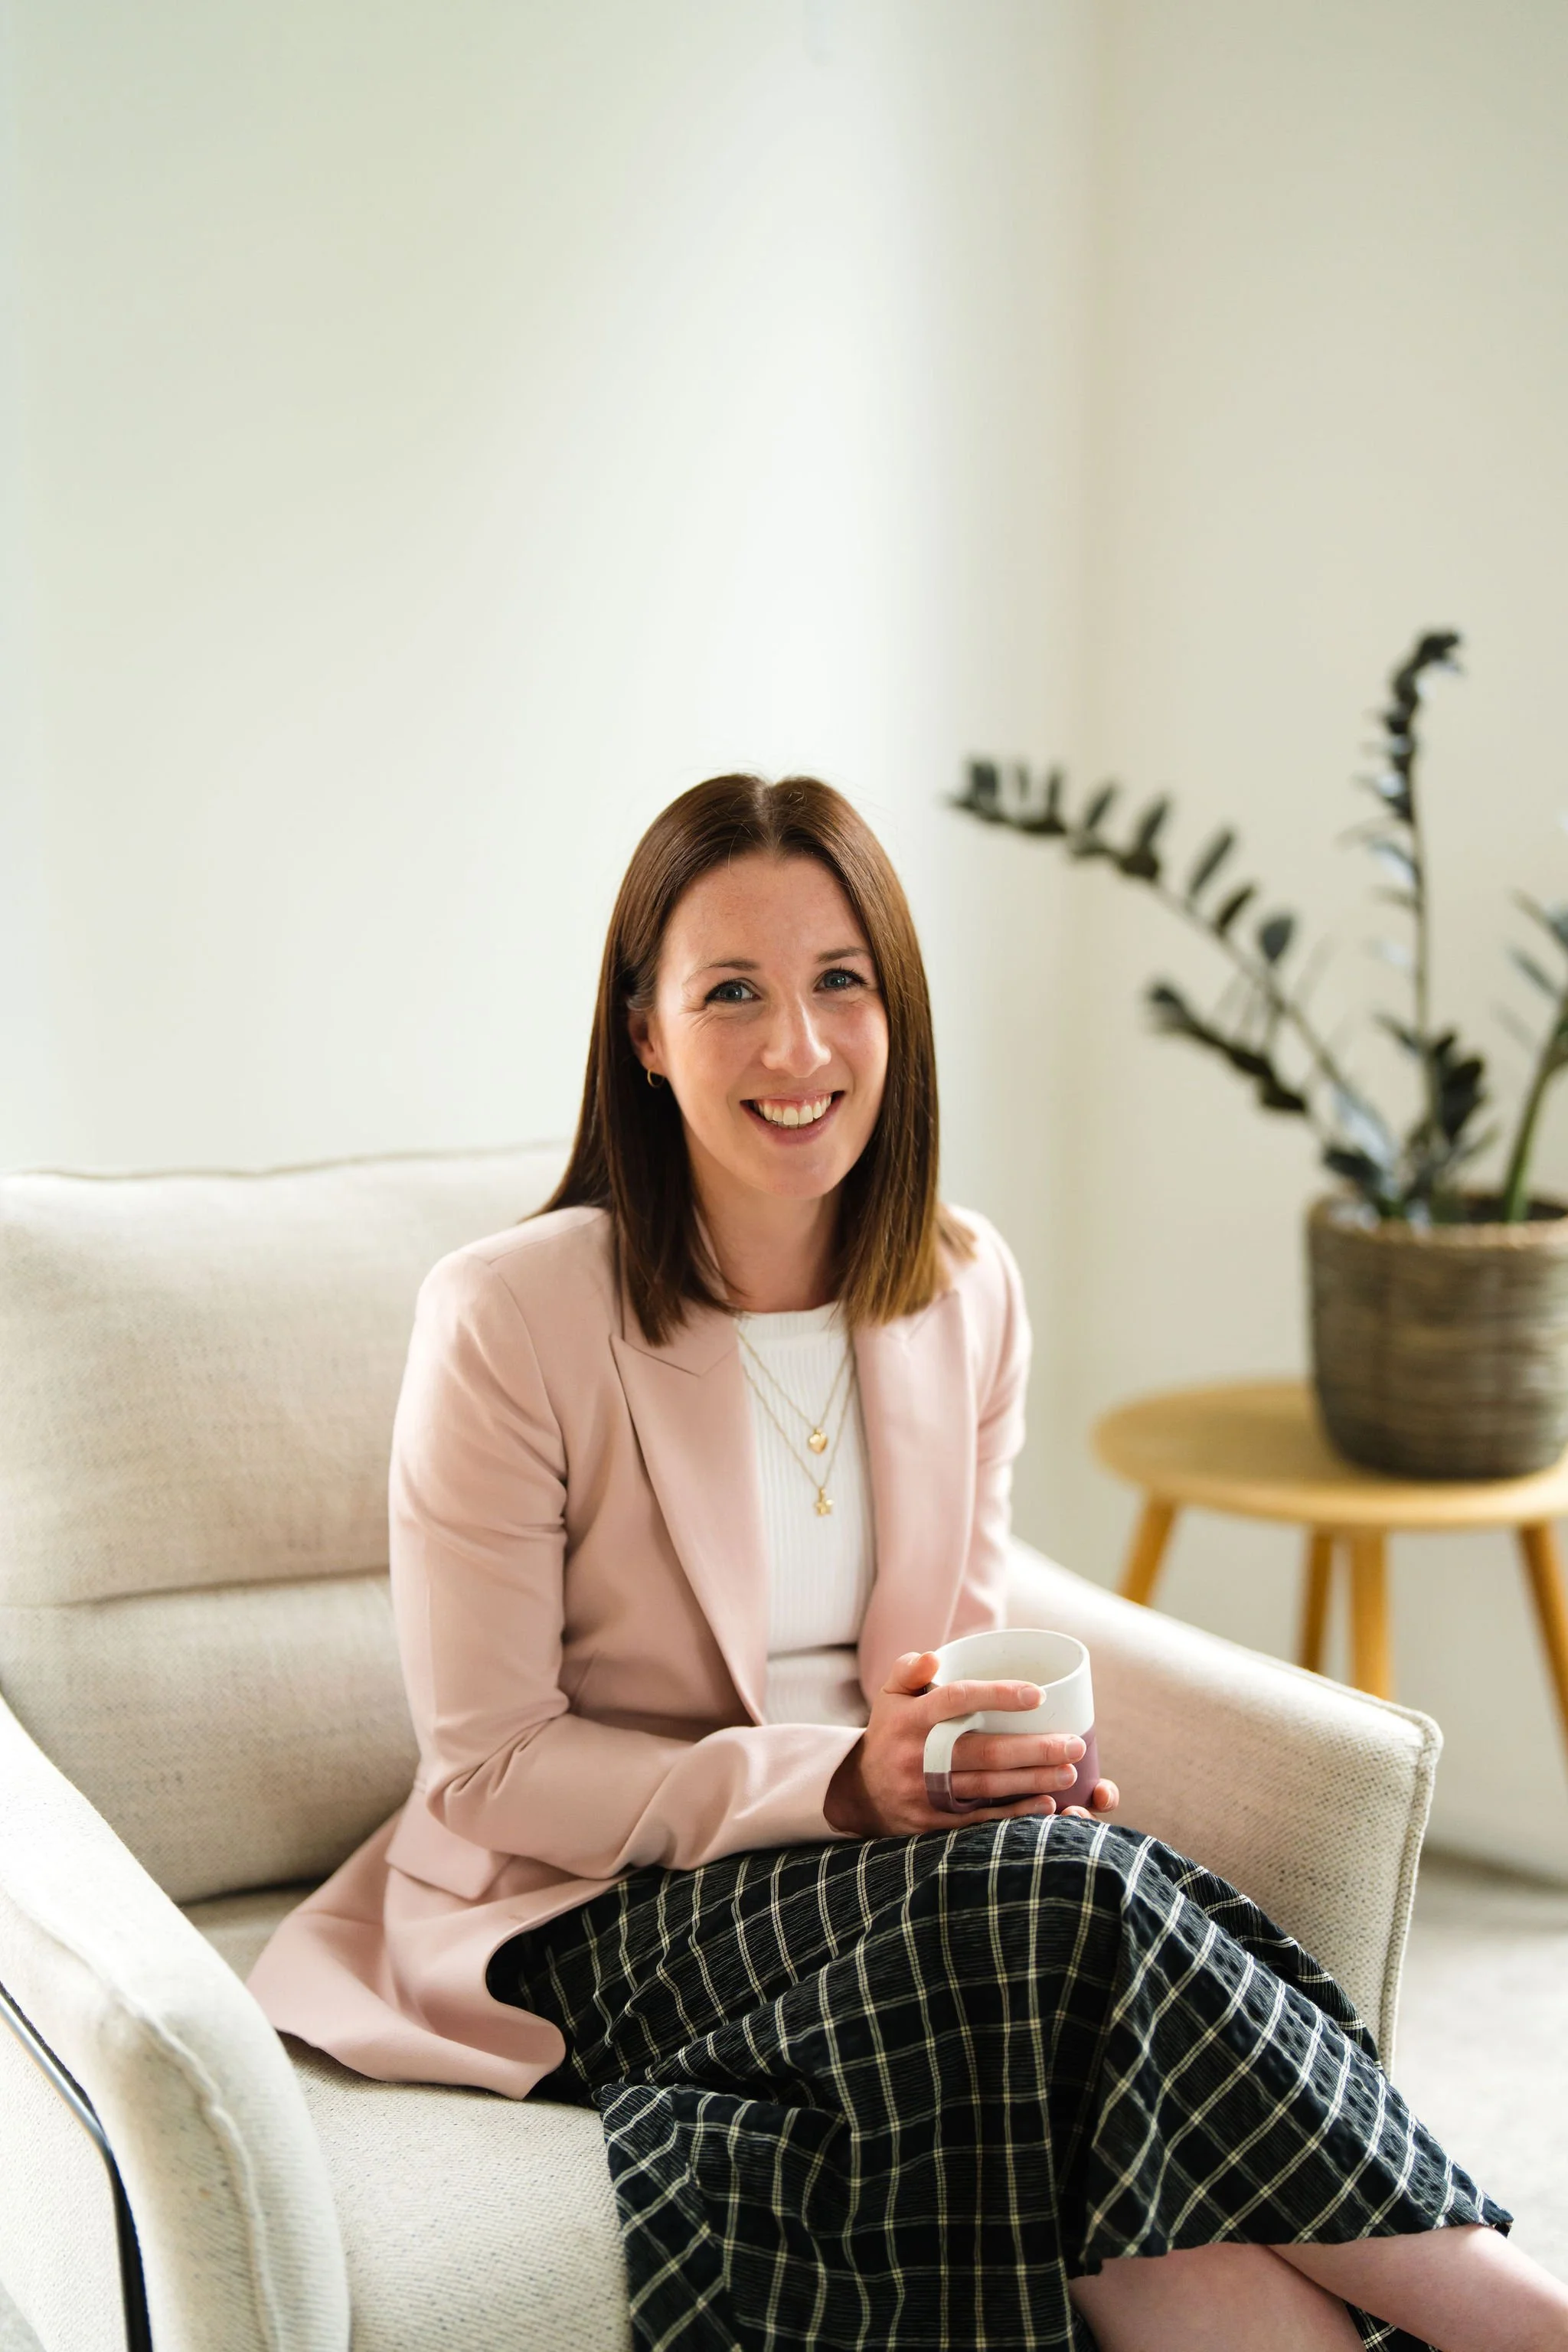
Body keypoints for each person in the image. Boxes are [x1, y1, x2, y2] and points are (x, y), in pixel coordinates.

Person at [250, 774, 1567, 2352]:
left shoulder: (961, 1286)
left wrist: (992, 1771)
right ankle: (1507, 2315)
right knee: (1061, 1907)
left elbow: (949, 1650)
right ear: (645, 1033)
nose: (796, 1048)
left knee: (1054, 1966)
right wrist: (837, 1789)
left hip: (913, 1885)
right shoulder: (511, 1316)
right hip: (589, 1908)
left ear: (896, 1016)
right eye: (729, 992)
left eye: (838, 984)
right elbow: (488, 1773)